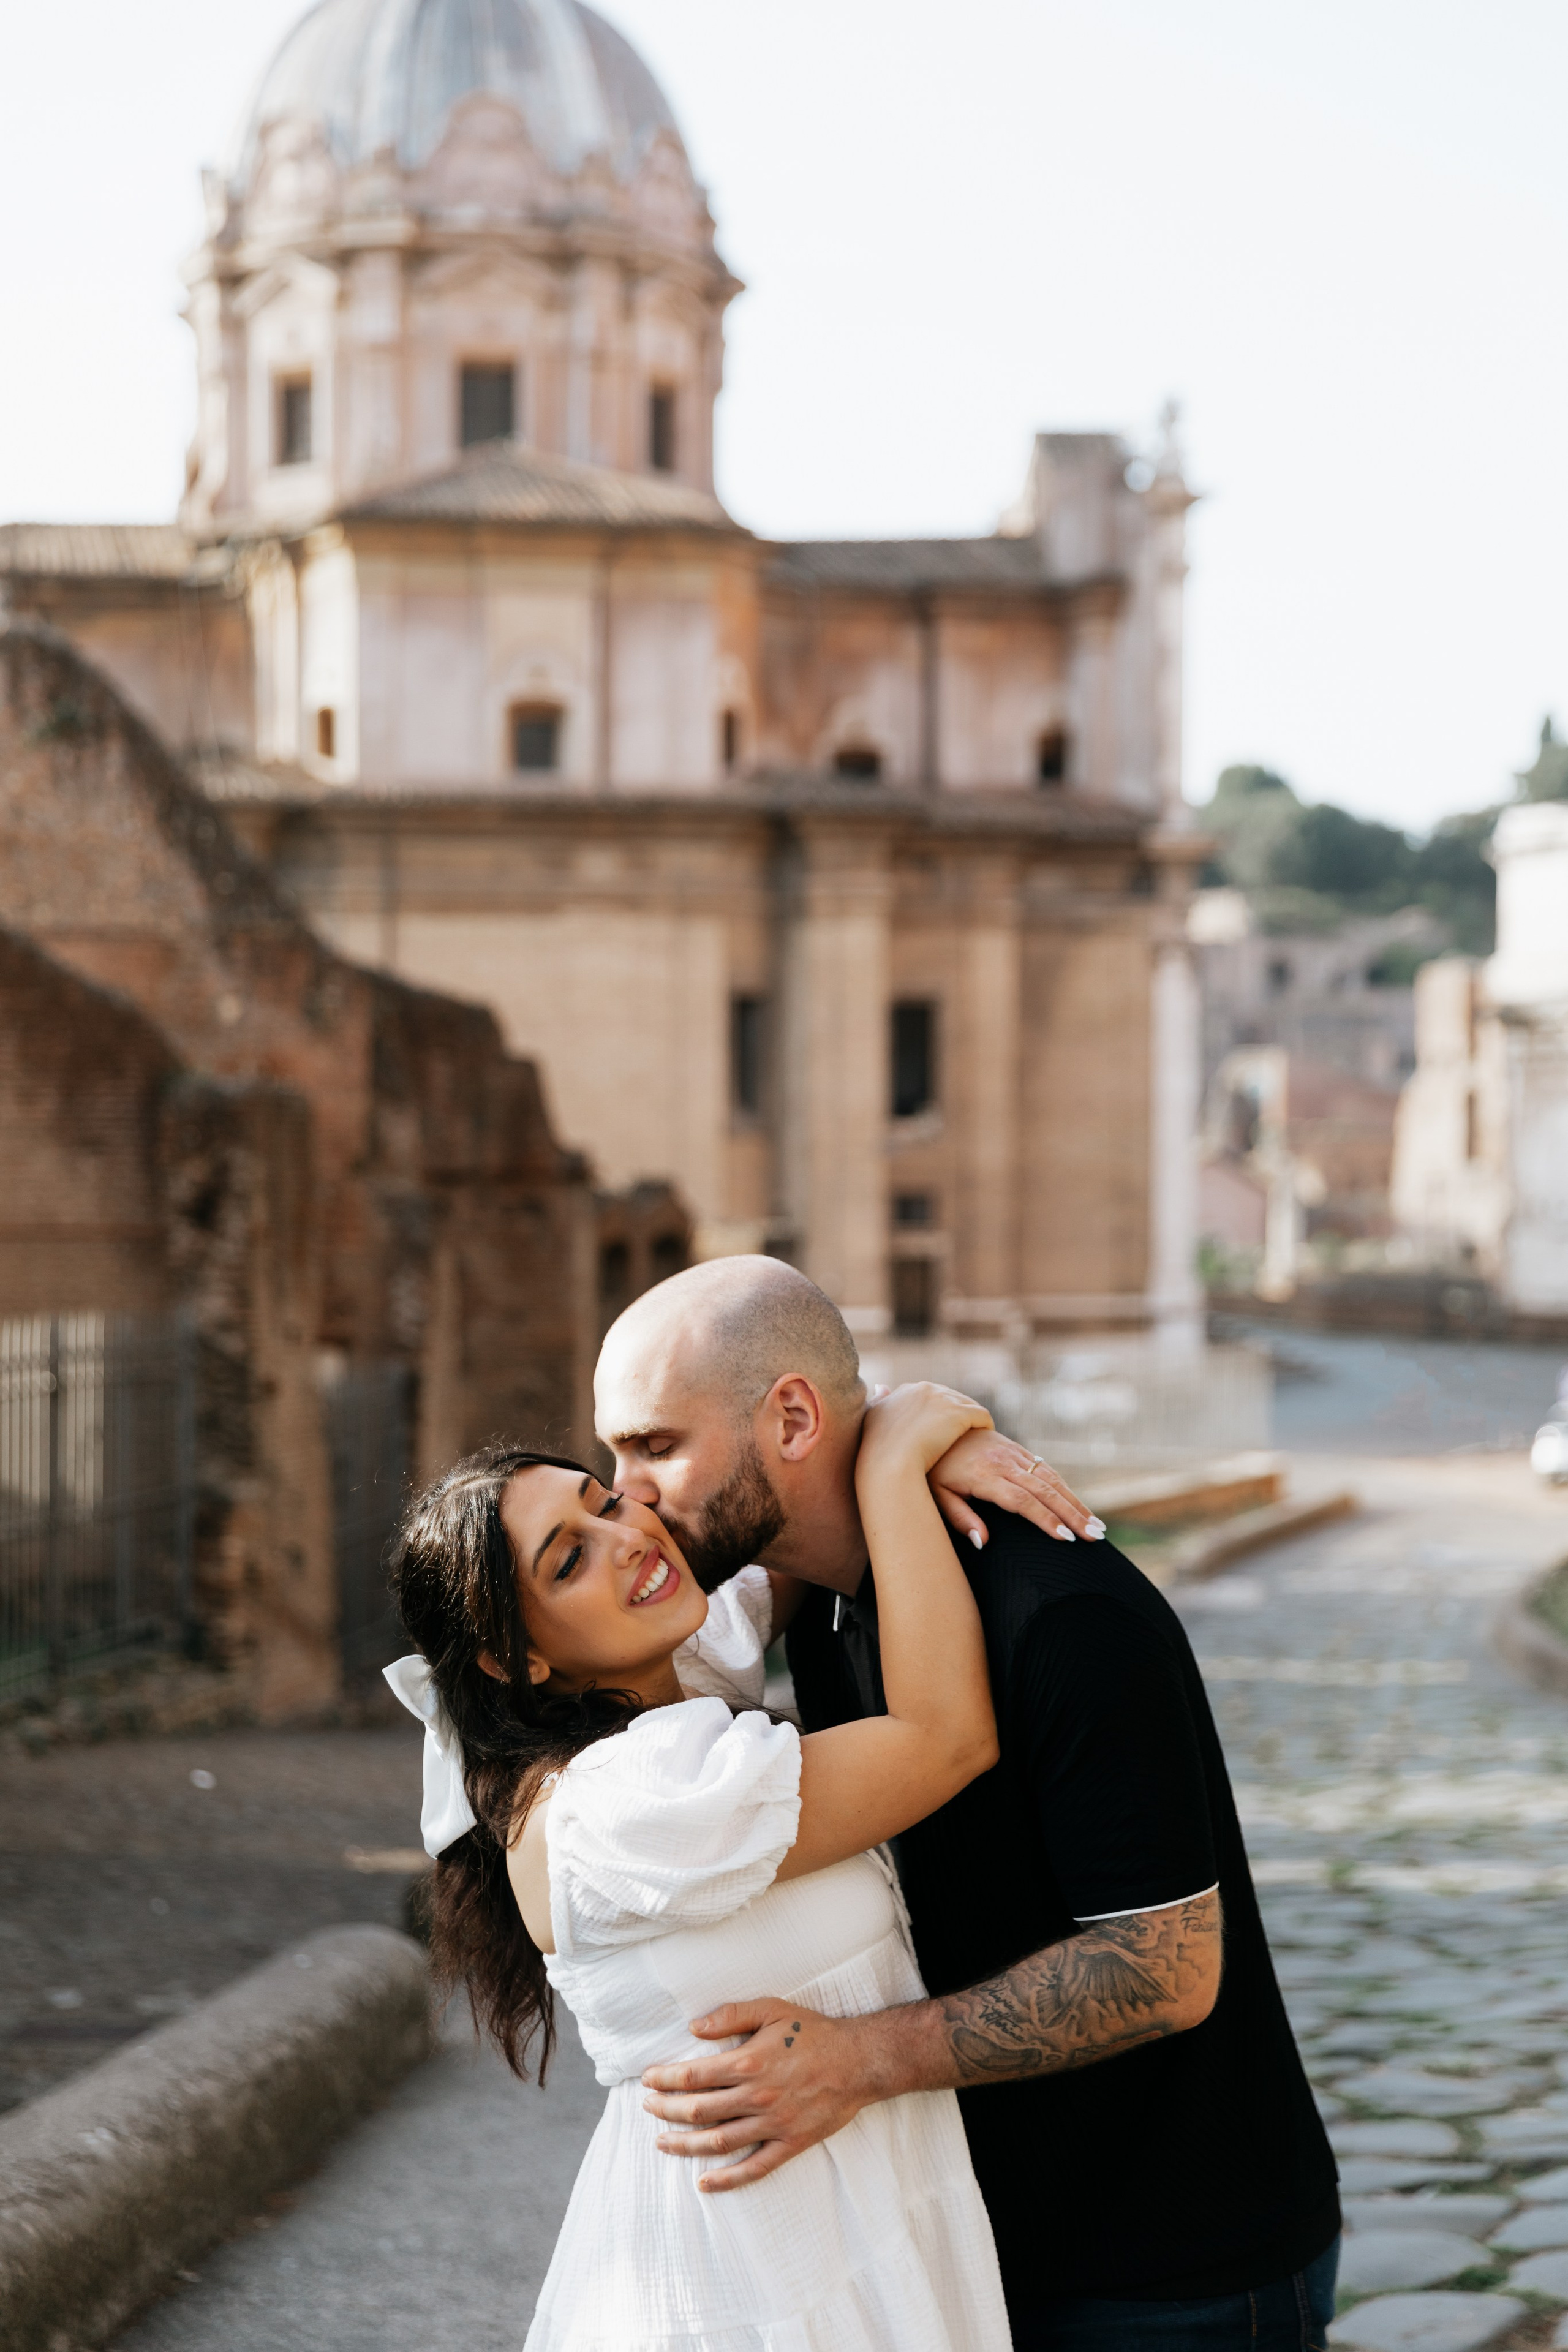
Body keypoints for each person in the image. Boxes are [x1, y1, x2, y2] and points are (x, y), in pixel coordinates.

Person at [599, 1257, 1342, 2352]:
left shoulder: (1061, 1612)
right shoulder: (819, 1595)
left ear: (793, 1418)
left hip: (1174, 2273)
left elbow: (1165, 1966)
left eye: (656, 1446)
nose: (628, 1493)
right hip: (989, 2253)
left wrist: (858, 2061)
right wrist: (901, 1431)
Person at [383, 1379, 1025, 2351]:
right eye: (569, 1560)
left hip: (848, 2219)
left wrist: (910, 1423)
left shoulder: (666, 1683)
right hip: (750, 2278)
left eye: (603, 1501)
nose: (629, 1536)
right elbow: (944, 1738)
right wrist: (897, 1462)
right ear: (515, 1665)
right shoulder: (622, 1805)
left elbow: (784, 1497)